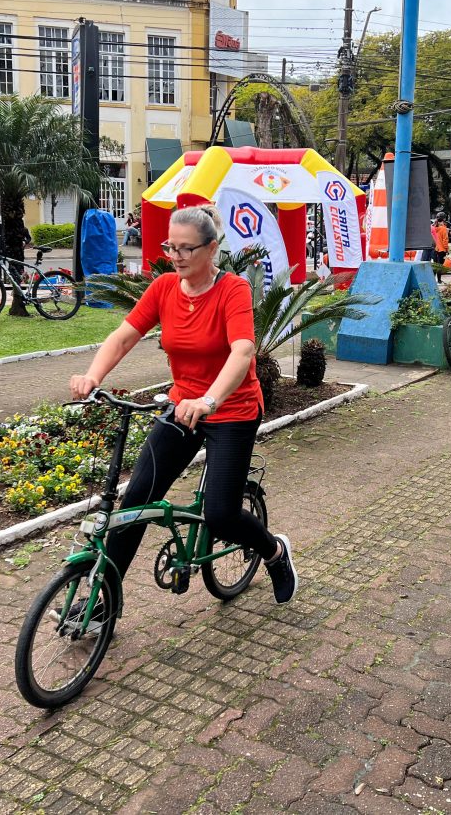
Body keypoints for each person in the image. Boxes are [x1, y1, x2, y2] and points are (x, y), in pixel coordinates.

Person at [69, 204, 298, 605]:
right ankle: (103, 602)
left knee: (222, 516)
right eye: (170, 247)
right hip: (181, 408)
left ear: (212, 250)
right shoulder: (163, 288)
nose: (175, 256)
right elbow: (123, 337)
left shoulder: (233, 290)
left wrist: (210, 399)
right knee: (135, 500)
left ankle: (274, 553)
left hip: (232, 410)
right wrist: (93, 376)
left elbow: (243, 352)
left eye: (186, 249)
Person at [431, 215, 449, 281]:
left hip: (434, 249)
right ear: (442, 221)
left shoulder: (433, 228)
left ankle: (432, 280)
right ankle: (439, 280)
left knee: (435, 265)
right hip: (441, 250)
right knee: (440, 265)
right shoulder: (444, 229)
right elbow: (445, 240)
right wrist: (446, 249)